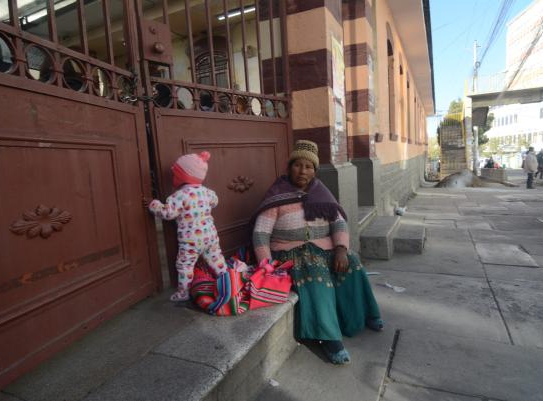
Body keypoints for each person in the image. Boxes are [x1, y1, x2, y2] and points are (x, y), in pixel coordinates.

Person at [251, 140, 382, 365]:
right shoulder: (276, 195)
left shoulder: (322, 193)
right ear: (289, 167)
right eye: (297, 165)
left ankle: (365, 314)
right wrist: (267, 266)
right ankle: (329, 338)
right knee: (314, 267)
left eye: (308, 166)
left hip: (325, 249)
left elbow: (339, 224)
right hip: (290, 253)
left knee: (352, 260)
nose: (303, 171)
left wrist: (341, 249)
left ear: (315, 170)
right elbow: (260, 234)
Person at [148, 151, 230, 311]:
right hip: (210, 236)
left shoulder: (179, 196)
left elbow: (167, 213)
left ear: (184, 176)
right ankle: (227, 279)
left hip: (191, 241)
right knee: (216, 258)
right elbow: (215, 201)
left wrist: (154, 204)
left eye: (175, 174)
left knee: (185, 265)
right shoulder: (207, 192)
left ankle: (183, 292)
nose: (173, 178)